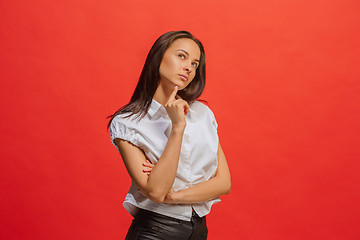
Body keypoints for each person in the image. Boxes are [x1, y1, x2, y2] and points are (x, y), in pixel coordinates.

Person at [108, 31, 231, 240]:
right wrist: (177, 127)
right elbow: (155, 192)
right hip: (155, 231)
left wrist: (173, 195)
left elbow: (223, 183)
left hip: (199, 230)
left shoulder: (203, 114)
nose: (188, 68)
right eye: (181, 56)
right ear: (159, 56)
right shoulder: (127, 122)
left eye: (195, 64)